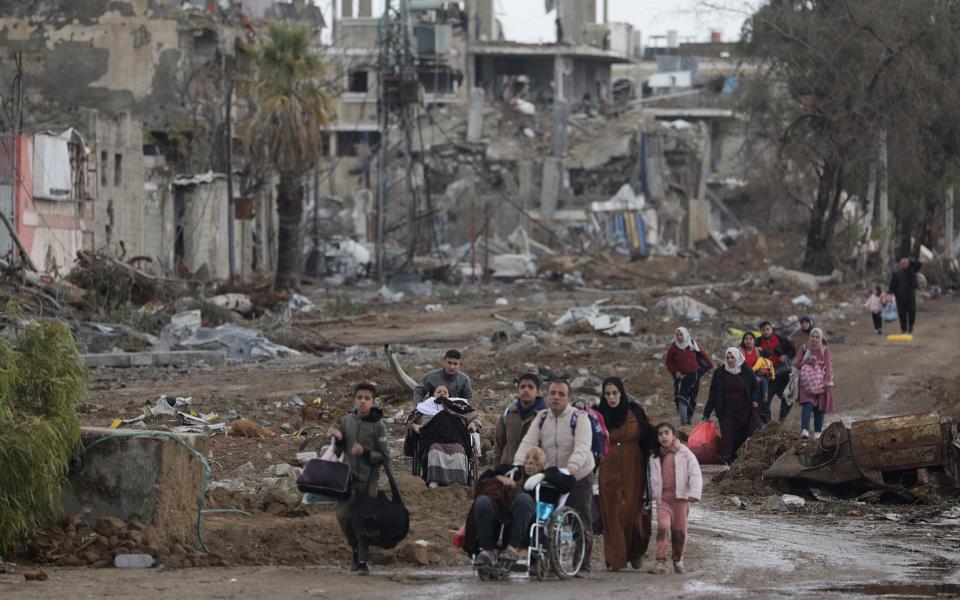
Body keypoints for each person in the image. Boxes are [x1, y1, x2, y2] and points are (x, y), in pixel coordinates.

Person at [514, 380, 595, 575]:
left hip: (578, 474)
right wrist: (517, 466)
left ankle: (582, 563)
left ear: (569, 397)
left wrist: (571, 468)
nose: (556, 397)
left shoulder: (579, 418)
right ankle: (545, 560)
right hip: (551, 475)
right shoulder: (541, 418)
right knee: (544, 517)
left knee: (581, 516)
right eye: (553, 393)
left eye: (561, 393)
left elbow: (583, 446)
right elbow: (528, 442)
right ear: (547, 396)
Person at [464, 447, 560, 573]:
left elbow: (568, 482)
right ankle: (487, 550)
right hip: (502, 515)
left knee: (523, 500)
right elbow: (486, 476)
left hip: (527, 521)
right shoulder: (514, 471)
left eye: (535, 459)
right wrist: (500, 478)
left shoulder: (548, 475)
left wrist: (542, 476)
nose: (530, 462)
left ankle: (513, 549)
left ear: (542, 463)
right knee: (482, 501)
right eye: (527, 458)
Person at [596, 377, 657, 572]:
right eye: (608, 394)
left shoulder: (635, 411)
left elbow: (649, 433)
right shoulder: (598, 414)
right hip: (608, 468)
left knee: (632, 513)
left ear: (621, 393)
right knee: (612, 514)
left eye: (615, 393)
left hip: (634, 467)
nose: (612, 397)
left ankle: (635, 552)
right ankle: (616, 559)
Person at [329, 382, 390, 575]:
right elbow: (339, 451)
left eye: (367, 398)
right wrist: (339, 440)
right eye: (359, 398)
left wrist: (365, 453)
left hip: (369, 480)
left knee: (365, 521)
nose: (362, 402)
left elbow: (385, 457)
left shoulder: (378, 425)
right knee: (343, 516)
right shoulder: (347, 421)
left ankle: (362, 560)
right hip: (348, 479)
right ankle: (355, 547)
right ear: (355, 400)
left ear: (373, 401)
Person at [648, 422, 702, 575]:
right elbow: (650, 477)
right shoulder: (654, 455)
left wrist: (694, 492)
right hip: (663, 498)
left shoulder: (685, 453)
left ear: (674, 435)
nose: (663, 436)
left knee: (679, 531)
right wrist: (650, 494)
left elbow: (695, 473)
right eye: (660, 434)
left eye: (666, 433)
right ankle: (660, 561)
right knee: (662, 528)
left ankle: (678, 560)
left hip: (681, 499)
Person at [406, 384, 481, 488]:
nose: (442, 393)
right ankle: (434, 480)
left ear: (449, 395)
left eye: (445, 392)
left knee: (459, 451)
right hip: (433, 438)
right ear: (433, 395)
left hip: (456, 437)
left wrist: (473, 424)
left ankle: (458, 482)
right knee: (434, 449)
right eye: (439, 391)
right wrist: (414, 426)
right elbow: (410, 421)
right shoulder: (424, 407)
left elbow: (475, 416)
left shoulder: (459, 406)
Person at [702, 347, 762, 464]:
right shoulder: (719, 373)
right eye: (727, 357)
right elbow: (713, 393)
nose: (729, 360)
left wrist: (754, 399)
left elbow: (755, 387)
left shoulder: (746, 370)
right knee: (727, 436)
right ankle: (726, 459)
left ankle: (739, 458)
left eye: (732, 357)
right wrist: (706, 413)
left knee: (741, 436)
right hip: (726, 412)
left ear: (738, 357)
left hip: (744, 410)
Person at [494, 373, 547, 466]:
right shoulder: (508, 414)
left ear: (537, 391)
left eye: (530, 387)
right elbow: (499, 442)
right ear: (518, 390)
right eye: (522, 387)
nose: (526, 390)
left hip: (534, 470)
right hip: (508, 468)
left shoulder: (545, 416)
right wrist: (498, 467)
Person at [664, 327, 713, 425]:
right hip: (682, 378)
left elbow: (702, 354)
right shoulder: (674, 347)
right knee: (681, 398)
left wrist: (710, 365)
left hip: (694, 376)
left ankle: (689, 420)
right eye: (677, 334)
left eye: (681, 334)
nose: (678, 336)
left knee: (691, 398)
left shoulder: (692, 344)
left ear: (685, 335)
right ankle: (683, 421)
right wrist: (676, 372)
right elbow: (668, 362)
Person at [793, 328, 834, 439]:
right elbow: (797, 364)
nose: (814, 339)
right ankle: (805, 430)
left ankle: (817, 432)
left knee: (820, 408)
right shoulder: (804, 348)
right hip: (807, 383)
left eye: (817, 337)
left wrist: (827, 380)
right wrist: (807, 361)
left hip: (821, 382)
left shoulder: (825, 349)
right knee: (807, 404)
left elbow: (828, 365)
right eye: (812, 336)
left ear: (821, 338)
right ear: (809, 337)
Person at [740, 332, 775, 423]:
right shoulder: (739, 352)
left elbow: (765, 365)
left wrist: (765, 372)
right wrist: (753, 377)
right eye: (746, 339)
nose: (748, 341)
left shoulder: (759, 351)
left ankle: (765, 425)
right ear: (743, 340)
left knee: (762, 404)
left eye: (751, 338)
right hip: (744, 381)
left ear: (754, 340)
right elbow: (739, 368)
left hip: (759, 381)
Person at [888, 257, 922, 334]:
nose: (904, 265)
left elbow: (919, 264)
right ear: (900, 264)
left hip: (910, 295)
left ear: (908, 263)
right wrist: (889, 293)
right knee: (902, 313)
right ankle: (903, 329)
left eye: (906, 263)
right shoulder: (896, 272)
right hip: (899, 296)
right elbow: (892, 284)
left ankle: (911, 325)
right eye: (902, 263)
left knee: (912, 310)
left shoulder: (912, 269)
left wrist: (910, 260)